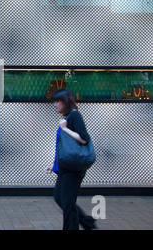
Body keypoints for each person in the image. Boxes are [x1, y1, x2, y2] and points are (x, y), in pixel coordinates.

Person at [46, 88, 97, 230]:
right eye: (54, 102)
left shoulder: (75, 116)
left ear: (66, 102)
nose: (55, 105)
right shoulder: (66, 117)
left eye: (57, 101)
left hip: (73, 168)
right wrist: (53, 164)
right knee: (59, 198)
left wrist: (65, 129)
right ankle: (87, 221)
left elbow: (84, 139)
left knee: (67, 203)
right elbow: (64, 145)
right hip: (64, 166)